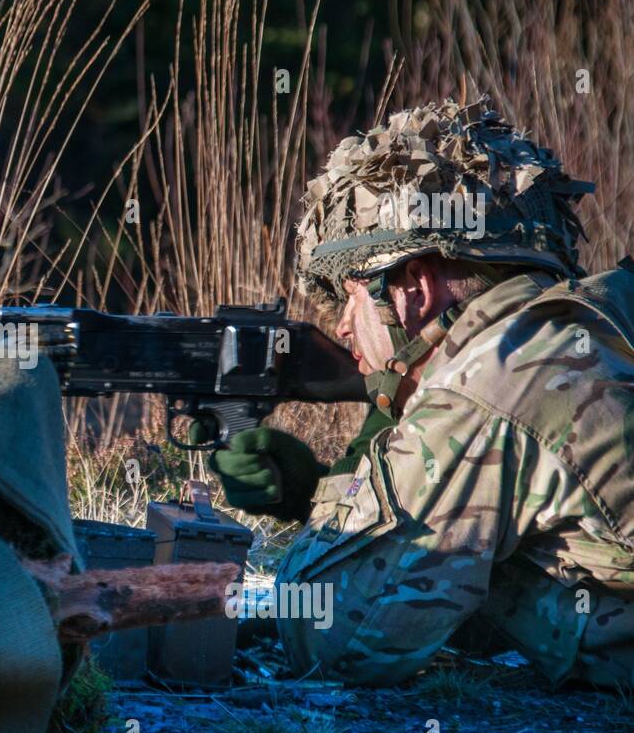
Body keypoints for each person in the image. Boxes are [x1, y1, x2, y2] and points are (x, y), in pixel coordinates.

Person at [207, 97, 634, 688]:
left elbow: (338, 637)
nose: (341, 328)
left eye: (351, 296)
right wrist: (321, 489)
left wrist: (357, 463)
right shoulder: (599, 322)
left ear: (412, 286)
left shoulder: (485, 388)